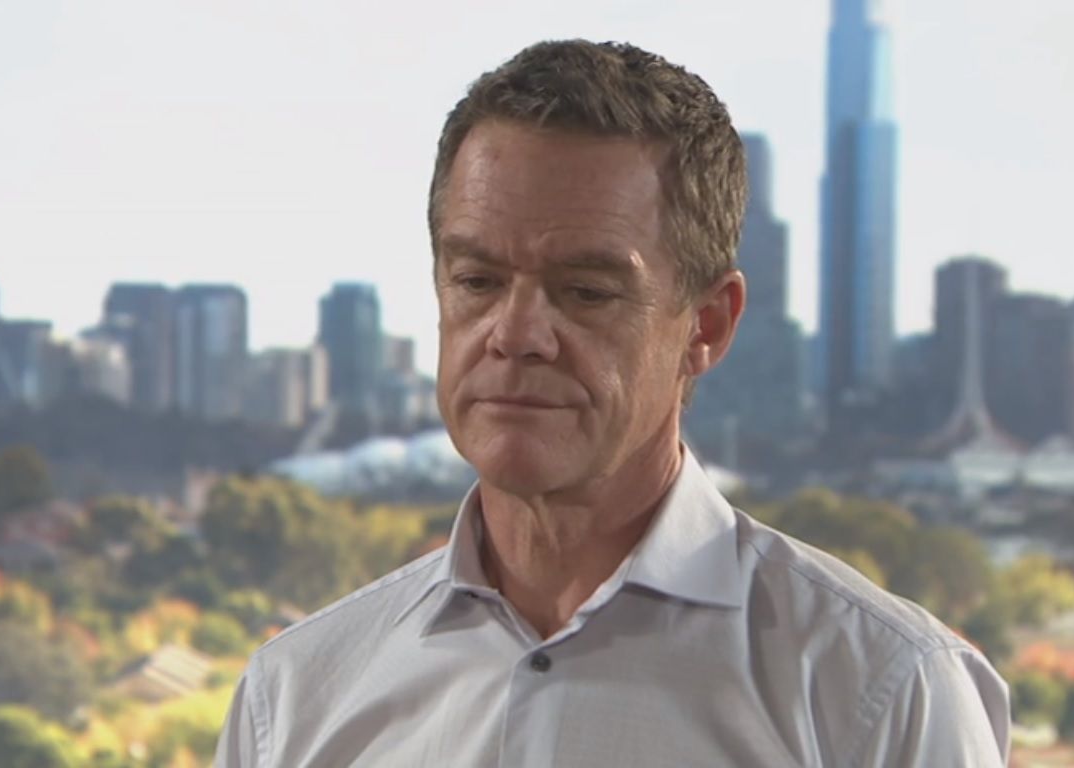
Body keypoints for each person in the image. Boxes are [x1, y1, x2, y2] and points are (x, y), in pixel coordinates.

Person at [214, 39, 1010, 767]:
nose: (515, 335)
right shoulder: (294, 699)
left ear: (707, 324)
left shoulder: (882, 694)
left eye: (586, 291)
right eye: (477, 281)